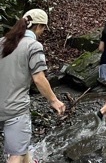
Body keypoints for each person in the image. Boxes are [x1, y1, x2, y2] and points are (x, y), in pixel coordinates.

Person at [0, 9, 65, 162]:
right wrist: (54, 100)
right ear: (39, 27)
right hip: (15, 110)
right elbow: (39, 79)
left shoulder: (2, 42)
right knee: (17, 154)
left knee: (22, 147)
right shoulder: (33, 46)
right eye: (43, 29)